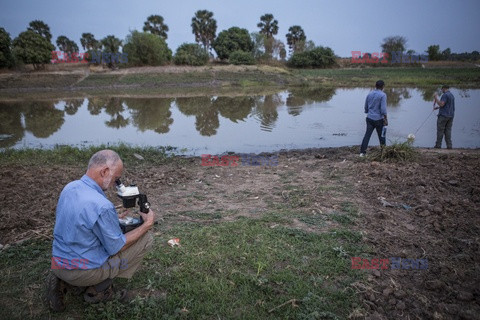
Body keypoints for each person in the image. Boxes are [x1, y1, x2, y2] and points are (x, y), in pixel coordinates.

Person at [46, 150, 156, 312]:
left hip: (58, 262)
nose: (115, 185)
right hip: (83, 271)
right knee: (147, 239)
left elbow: (79, 222)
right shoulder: (101, 205)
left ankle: (63, 280)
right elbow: (116, 247)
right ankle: (98, 289)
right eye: (116, 179)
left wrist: (111, 220)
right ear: (104, 171)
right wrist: (146, 225)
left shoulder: (70, 187)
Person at [360, 80, 388, 156]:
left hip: (369, 118)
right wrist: (385, 119)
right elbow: (383, 110)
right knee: (382, 136)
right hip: (379, 119)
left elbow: (366, 107)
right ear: (383, 87)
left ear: (375, 86)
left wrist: (368, 112)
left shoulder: (369, 94)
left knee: (367, 135)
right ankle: (383, 153)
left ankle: (362, 153)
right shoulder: (383, 95)